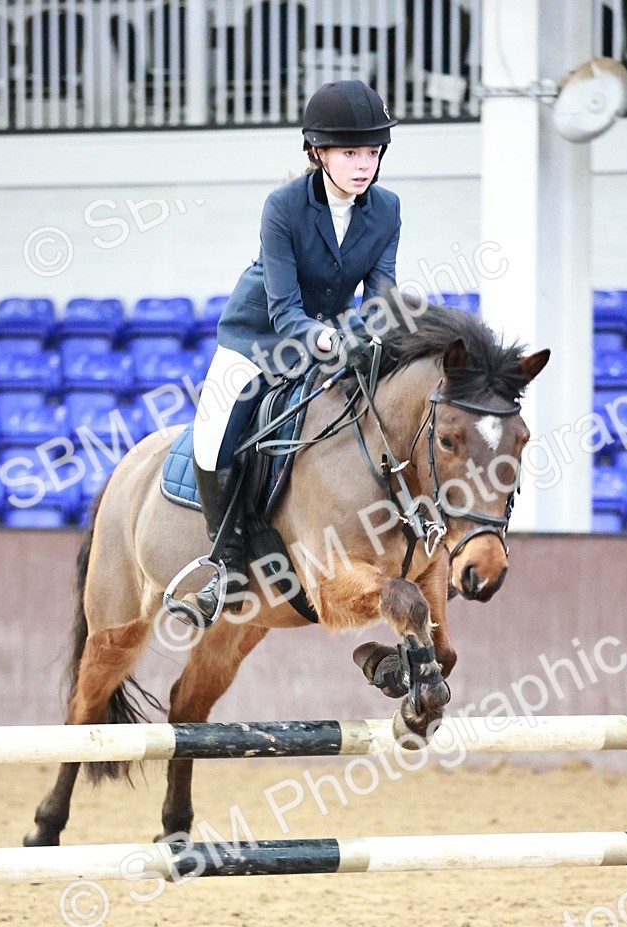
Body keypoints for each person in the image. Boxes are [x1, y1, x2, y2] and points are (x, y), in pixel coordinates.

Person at [190, 78, 401, 620]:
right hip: (259, 336)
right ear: (317, 152)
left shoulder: (386, 210)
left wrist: (375, 335)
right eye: (350, 152)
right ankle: (225, 562)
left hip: (328, 339)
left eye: (371, 152)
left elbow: (380, 293)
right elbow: (284, 311)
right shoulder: (282, 207)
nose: (363, 164)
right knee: (216, 434)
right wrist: (330, 336)